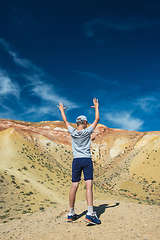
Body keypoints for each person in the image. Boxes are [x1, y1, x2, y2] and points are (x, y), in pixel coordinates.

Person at [57, 98, 101, 225]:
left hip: (76, 161)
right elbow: (97, 119)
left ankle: (71, 214)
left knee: (74, 186)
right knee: (89, 185)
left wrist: (61, 110)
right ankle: (90, 213)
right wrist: (96, 107)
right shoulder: (88, 131)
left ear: (76, 124)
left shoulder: (72, 132)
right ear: (85, 122)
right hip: (86, 160)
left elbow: (65, 121)